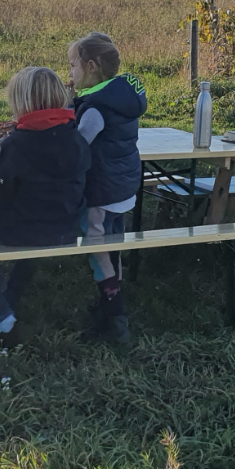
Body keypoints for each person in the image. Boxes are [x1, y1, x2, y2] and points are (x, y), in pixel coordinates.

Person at [0, 67, 90, 340]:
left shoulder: (17, 144)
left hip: (22, 229)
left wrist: (4, 151)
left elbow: (2, 195)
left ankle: (3, 315)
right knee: (31, 246)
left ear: (21, 102)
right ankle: (11, 298)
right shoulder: (75, 136)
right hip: (65, 228)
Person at [69, 32, 148, 344]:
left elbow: (76, 148)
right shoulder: (121, 99)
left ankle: (116, 317)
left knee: (97, 250)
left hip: (100, 192)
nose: (70, 74)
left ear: (90, 67)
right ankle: (109, 302)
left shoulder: (95, 109)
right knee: (113, 245)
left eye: (72, 66)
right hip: (123, 188)